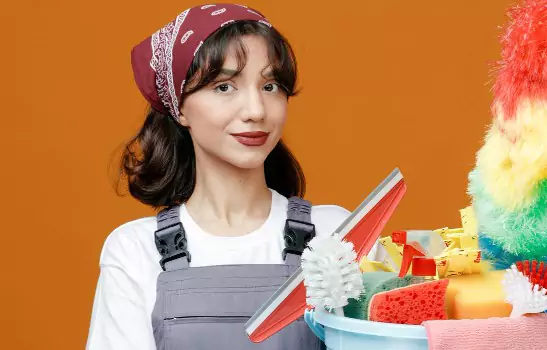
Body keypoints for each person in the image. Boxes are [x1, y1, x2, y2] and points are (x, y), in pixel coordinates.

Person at [85, 3, 379, 350]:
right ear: (179, 107)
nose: (256, 111)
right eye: (224, 86)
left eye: (270, 86)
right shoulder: (135, 252)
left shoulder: (338, 236)